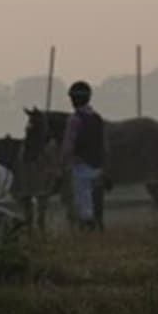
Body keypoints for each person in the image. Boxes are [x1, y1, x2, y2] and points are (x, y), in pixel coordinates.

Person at [61, 81, 107, 232]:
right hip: (98, 164)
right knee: (94, 195)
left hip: (81, 164)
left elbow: (69, 144)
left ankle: (87, 220)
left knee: (81, 194)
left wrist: (64, 159)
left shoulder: (74, 119)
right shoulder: (98, 118)